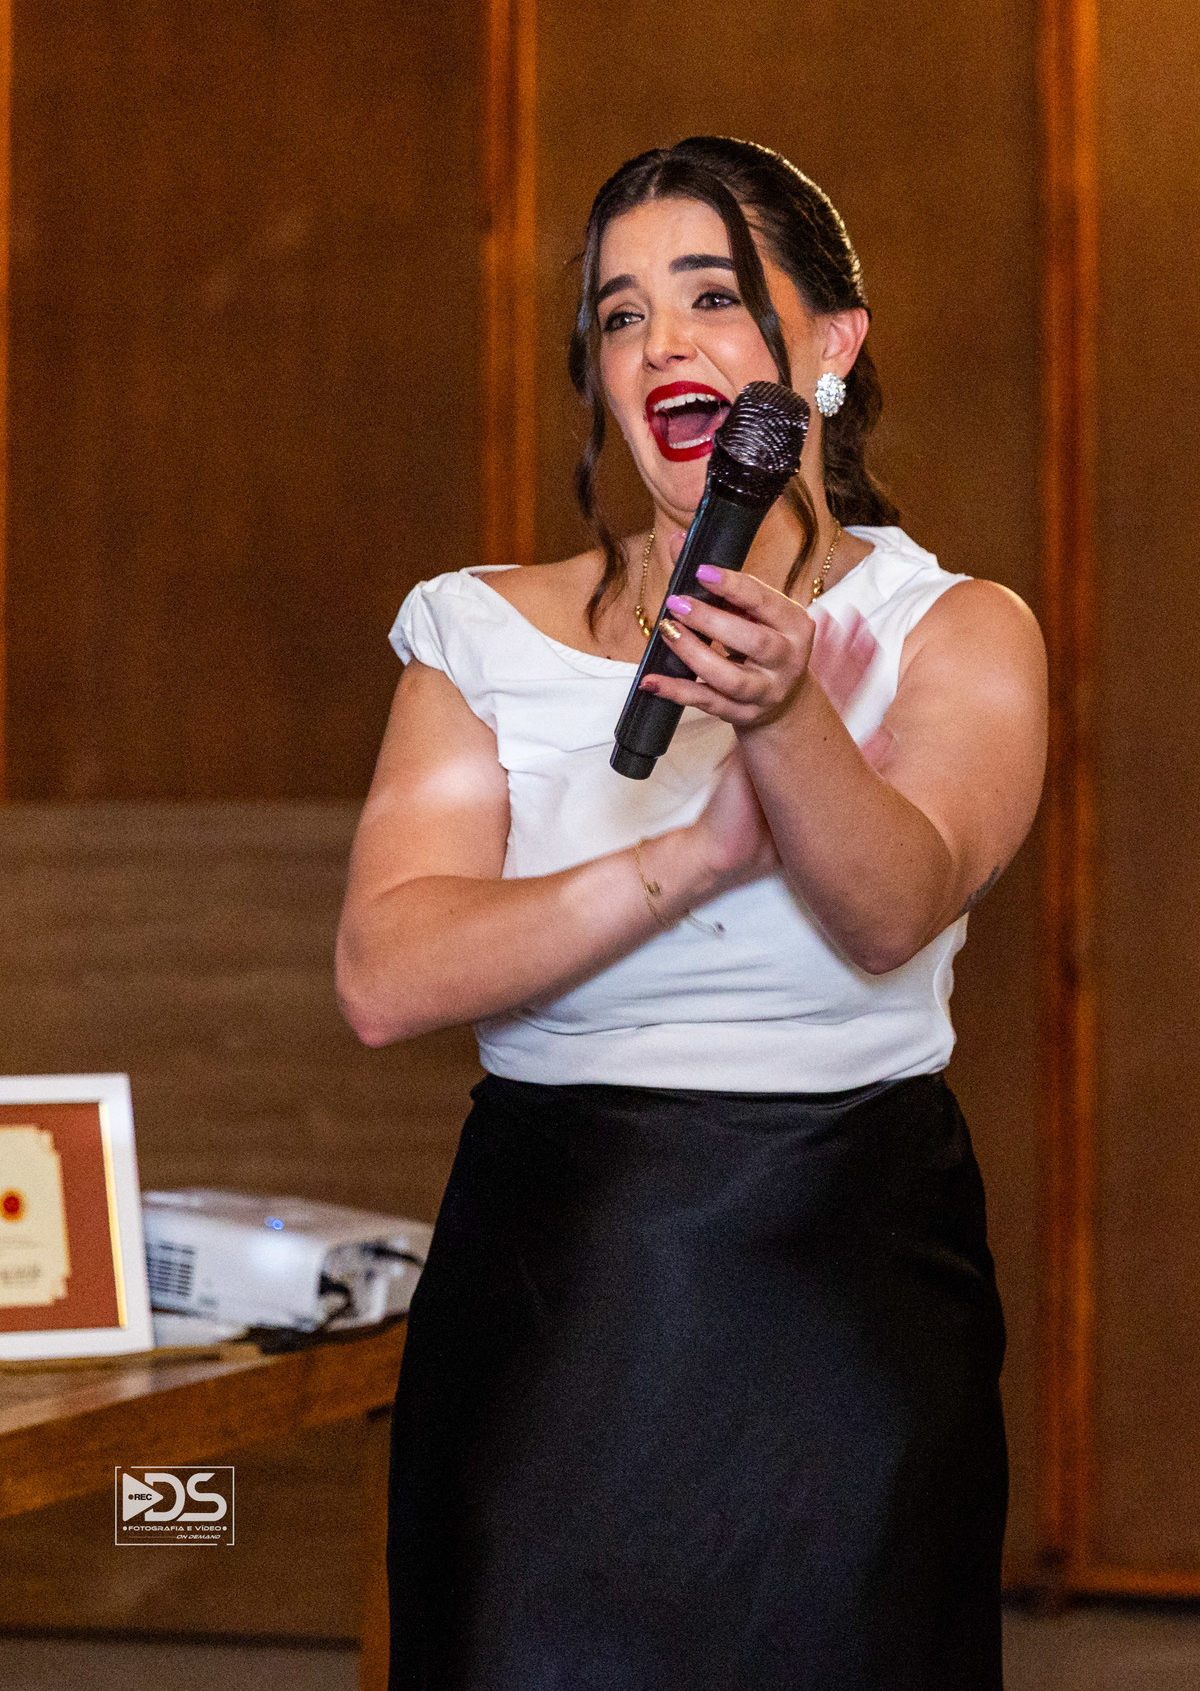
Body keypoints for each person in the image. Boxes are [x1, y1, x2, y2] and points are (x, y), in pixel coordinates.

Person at [336, 136, 1047, 1691]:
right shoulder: (476, 629)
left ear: (831, 344)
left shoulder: (955, 631)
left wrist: (788, 715)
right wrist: (693, 857)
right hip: (559, 1283)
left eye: (713, 295)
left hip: (841, 1286)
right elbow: (388, 973)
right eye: (619, 314)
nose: (661, 341)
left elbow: (892, 907)